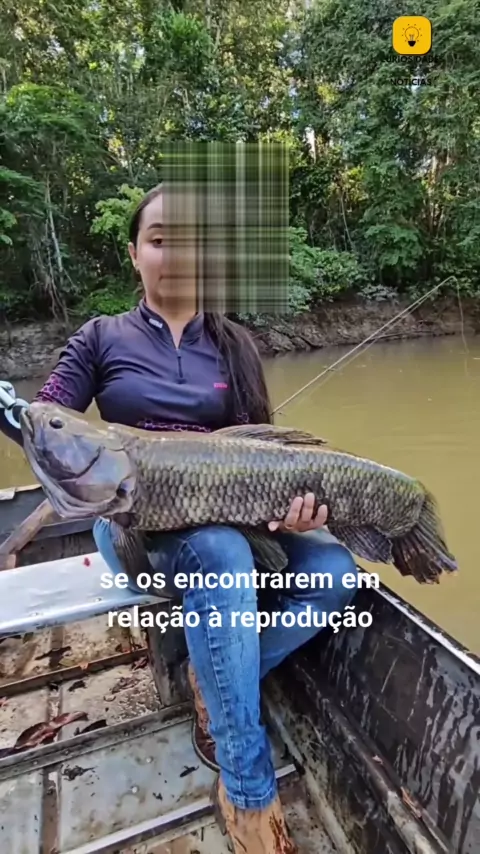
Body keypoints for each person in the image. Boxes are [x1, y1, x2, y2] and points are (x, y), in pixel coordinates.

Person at [0, 182, 357, 854]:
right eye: (160, 239)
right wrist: (12, 413)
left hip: (232, 517)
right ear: (135, 254)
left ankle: (211, 673)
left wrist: (292, 512)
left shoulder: (234, 345)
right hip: (133, 525)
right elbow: (49, 423)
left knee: (336, 572)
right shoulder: (99, 338)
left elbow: (259, 451)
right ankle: (248, 791)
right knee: (219, 551)